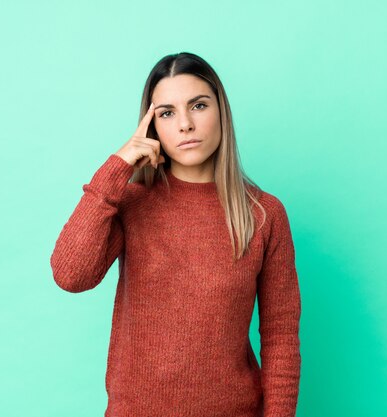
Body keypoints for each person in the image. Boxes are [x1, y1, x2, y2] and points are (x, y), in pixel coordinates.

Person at [50, 52, 302, 417]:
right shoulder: (131, 203)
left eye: (198, 105)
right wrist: (116, 168)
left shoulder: (264, 214)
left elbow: (280, 338)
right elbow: (70, 275)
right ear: (151, 126)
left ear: (221, 111)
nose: (185, 124)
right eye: (167, 113)